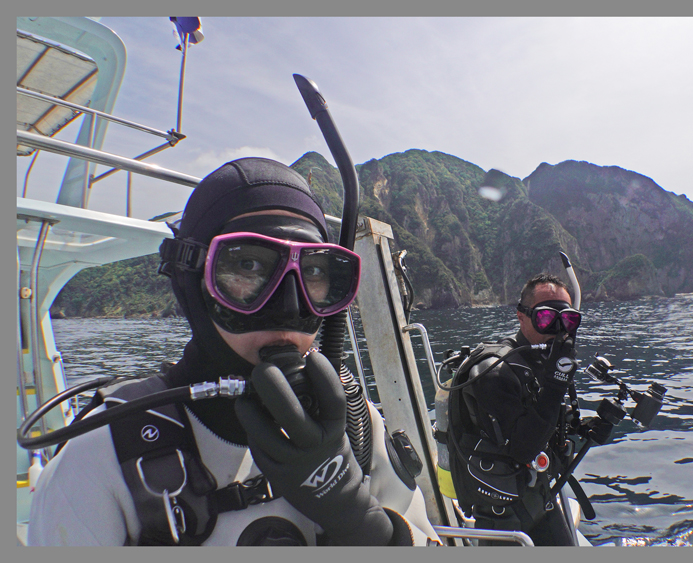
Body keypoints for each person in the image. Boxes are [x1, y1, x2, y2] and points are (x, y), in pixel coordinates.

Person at [28, 157, 439, 546]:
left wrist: (355, 515)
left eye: (312, 270)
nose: (290, 307)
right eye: (248, 266)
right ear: (193, 283)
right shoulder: (101, 456)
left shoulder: (357, 421)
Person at [447, 273, 583, 546]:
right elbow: (523, 449)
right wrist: (556, 384)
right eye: (546, 318)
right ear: (521, 317)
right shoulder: (494, 372)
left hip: (539, 498)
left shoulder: (544, 361)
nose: (557, 329)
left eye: (566, 320)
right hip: (503, 516)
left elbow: (550, 425)